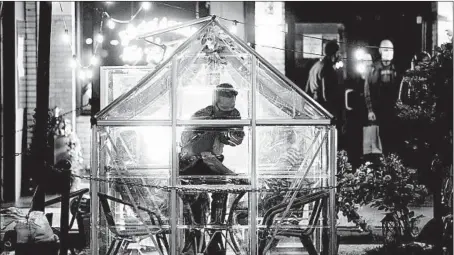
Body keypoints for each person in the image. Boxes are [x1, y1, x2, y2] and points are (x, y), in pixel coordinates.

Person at [179, 83, 245, 254]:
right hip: (192, 166)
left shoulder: (234, 114)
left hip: (212, 159)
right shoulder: (201, 117)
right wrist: (231, 174)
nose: (228, 112)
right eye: (223, 108)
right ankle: (194, 244)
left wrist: (225, 132)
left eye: (231, 108)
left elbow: (237, 139)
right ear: (215, 103)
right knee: (195, 205)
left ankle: (215, 238)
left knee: (221, 194)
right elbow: (198, 153)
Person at [363, 39, 400, 155]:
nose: (389, 53)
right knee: (381, 139)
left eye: (391, 50)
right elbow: (367, 90)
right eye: (386, 50)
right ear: (380, 51)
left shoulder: (397, 68)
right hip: (380, 109)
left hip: (395, 110)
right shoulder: (374, 68)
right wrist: (370, 110)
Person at [305, 40, 341, 121]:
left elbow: (307, 89)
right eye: (338, 53)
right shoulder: (327, 68)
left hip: (314, 109)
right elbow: (327, 94)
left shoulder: (315, 66)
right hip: (324, 111)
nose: (339, 56)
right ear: (334, 54)